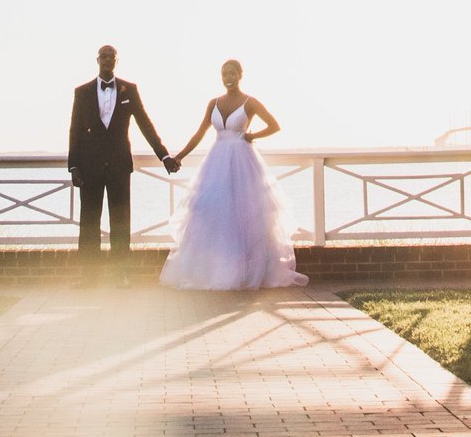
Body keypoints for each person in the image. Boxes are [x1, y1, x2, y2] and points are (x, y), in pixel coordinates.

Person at [159, 58, 308, 290]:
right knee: (210, 211)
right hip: (217, 162)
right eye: (224, 74)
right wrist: (179, 156)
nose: (228, 78)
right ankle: (213, 269)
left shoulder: (250, 102)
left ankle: (245, 271)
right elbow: (200, 133)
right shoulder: (214, 103)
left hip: (242, 163)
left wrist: (252, 135)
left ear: (240, 75)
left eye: (232, 73)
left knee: (246, 215)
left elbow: (274, 125)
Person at [68, 44, 175, 278]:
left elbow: (145, 124)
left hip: (119, 166)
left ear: (117, 61)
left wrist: (164, 155)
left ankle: (120, 275)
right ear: (97, 60)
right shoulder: (82, 92)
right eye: (103, 57)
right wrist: (73, 166)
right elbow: (74, 129)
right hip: (89, 167)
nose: (107, 60)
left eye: (111, 57)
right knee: (89, 222)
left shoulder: (130, 90)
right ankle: (89, 276)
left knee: (120, 221)